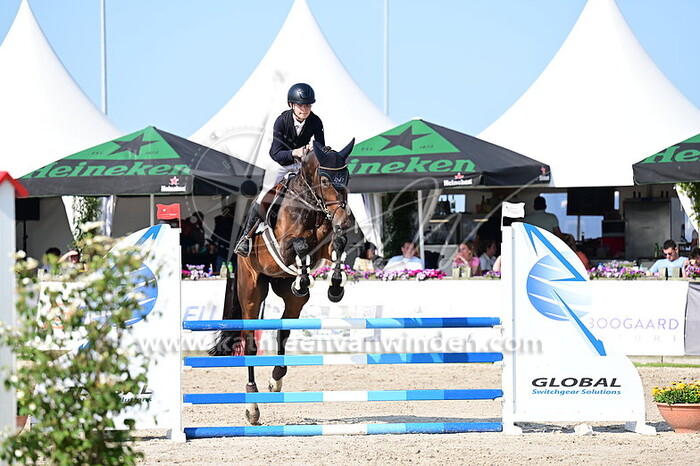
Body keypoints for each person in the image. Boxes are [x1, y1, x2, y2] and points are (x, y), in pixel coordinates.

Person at [234, 83, 325, 257]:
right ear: (291, 104)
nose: (305, 109)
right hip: (280, 163)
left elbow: (320, 148)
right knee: (264, 196)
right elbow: (276, 153)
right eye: (301, 105)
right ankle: (246, 237)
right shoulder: (282, 121)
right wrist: (295, 152)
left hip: (301, 165)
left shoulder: (315, 121)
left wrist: (314, 150)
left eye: (308, 105)